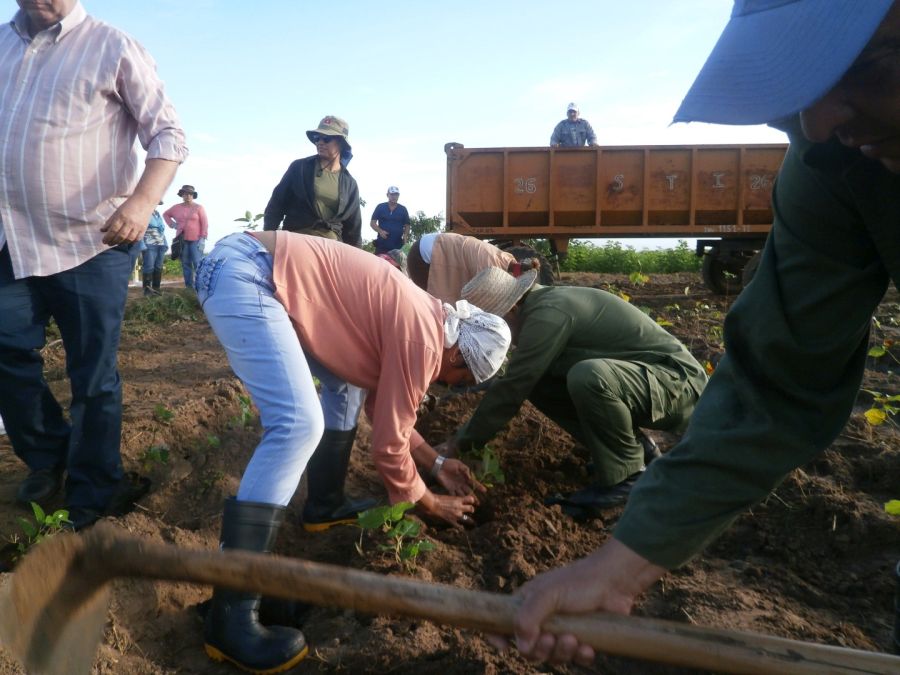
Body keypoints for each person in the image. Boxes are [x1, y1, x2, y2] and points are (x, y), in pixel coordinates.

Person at [495, 0, 900, 666]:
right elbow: (776, 383)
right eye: (799, 89)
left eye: (861, 66)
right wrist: (622, 565)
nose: (819, 120)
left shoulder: (552, 311)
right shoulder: (833, 163)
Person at [195, 230, 511, 672]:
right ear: (458, 358)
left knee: (345, 389)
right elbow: (388, 445)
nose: (450, 387)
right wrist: (428, 501)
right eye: (461, 382)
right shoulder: (423, 339)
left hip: (250, 266)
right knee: (298, 424)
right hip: (246, 274)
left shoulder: (426, 323)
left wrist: (435, 464)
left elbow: (386, 413)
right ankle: (230, 616)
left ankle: (324, 504)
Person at [0, 0, 186, 532]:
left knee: (92, 374)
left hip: (91, 241)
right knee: (7, 353)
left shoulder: (112, 46)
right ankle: (48, 456)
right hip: (10, 242)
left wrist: (141, 203)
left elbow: (168, 136)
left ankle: (93, 494)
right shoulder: (2, 44)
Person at [441, 266, 706, 511]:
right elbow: (520, 380)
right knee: (543, 383)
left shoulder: (548, 314)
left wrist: (459, 444)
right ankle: (633, 451)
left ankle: (627, 477)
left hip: (678, 386)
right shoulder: (541, 306)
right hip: (651, 382)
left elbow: (512, 388)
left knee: (589, 376)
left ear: (510, 311)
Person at [263, 116, 362, 247]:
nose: (320, 142)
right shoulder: (299, 168)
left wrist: (355, 259)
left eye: (326, 139)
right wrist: (268, 240)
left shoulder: (350, 184)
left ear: (341, 143)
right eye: (317, 138)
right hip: (296, 239)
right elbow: (276, 205)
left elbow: (353, 227)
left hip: (331, 246)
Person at [408, 232, 534, 305]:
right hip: (422, 256)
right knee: (436, 304)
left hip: (436, 245)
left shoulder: (504, 259)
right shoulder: (490, 270)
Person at [163, 184, 208, 289]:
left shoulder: (199, 208)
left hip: (196, 240)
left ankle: (200, 286)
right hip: (182, 240)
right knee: (186, 264)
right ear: (182, 195)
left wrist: (203, 238)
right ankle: (189, 287)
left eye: (190, 194)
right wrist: (172, 224)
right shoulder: (176, 208)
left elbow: (205, 223)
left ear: (193, 196)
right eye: (185, 194)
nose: (188, 196)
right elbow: (165, 214)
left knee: (197, 263)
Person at [370, 186, 411, 254]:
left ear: (398, 195)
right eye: (392, 194)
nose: (394, 196)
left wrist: (405, 236)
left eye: (396, 194)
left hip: (397, 246)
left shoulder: (403, 209)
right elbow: (372, 223)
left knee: (396, 265)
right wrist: (380, 231)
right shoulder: (380, 207)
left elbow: (407, 225)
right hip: (382, 245)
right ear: (387, 195)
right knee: (379, 264)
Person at [141, 202, 168, 296]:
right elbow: (140, 229)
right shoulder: (143, 213)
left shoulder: (157, 214)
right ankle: (147, 290)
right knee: (149, 266)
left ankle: (156, 288)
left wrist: (165, 243)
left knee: (158, 266)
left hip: (160, 243)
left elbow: (161, 230)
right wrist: (141, 244)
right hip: (149, 243)